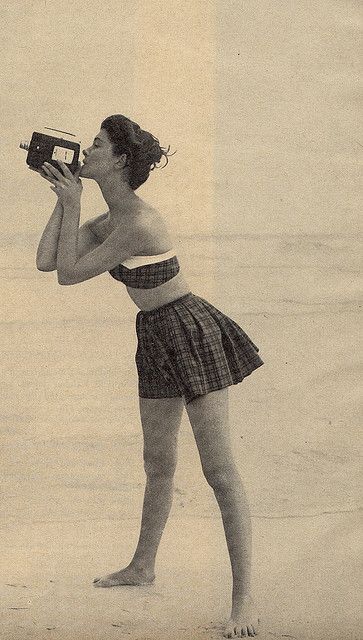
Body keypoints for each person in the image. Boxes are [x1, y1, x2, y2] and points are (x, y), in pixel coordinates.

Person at [35, 114, 263, 638]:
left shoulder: (136, 222)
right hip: (155, 332)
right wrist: (61, 199)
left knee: (220, 474)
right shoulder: (110, 218)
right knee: (158, 463)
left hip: (190, 330)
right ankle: (143, 566)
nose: (84, 150)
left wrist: (73, 205)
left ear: (117, 160)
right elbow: (50, 261)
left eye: (94, 144)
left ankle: (244, 602)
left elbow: (71, 274)